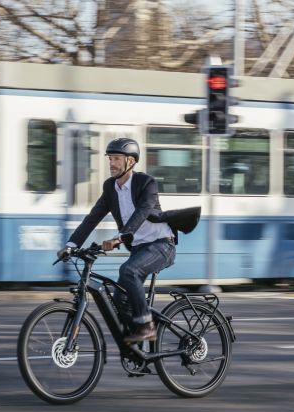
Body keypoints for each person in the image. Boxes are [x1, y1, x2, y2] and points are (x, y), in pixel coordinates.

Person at [58, 137, 198, 343]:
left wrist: (120, 237)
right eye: (110, 159)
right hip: (139, 249)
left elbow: (141, 212)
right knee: (120, 301)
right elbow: (92, 218)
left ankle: (146, 326)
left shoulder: (146, 183)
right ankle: (137, 350)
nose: (111, 163)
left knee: (129, 271)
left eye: (116, 158)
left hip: (161, 244)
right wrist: (71, 245)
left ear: (130, 161)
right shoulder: (110, 188)